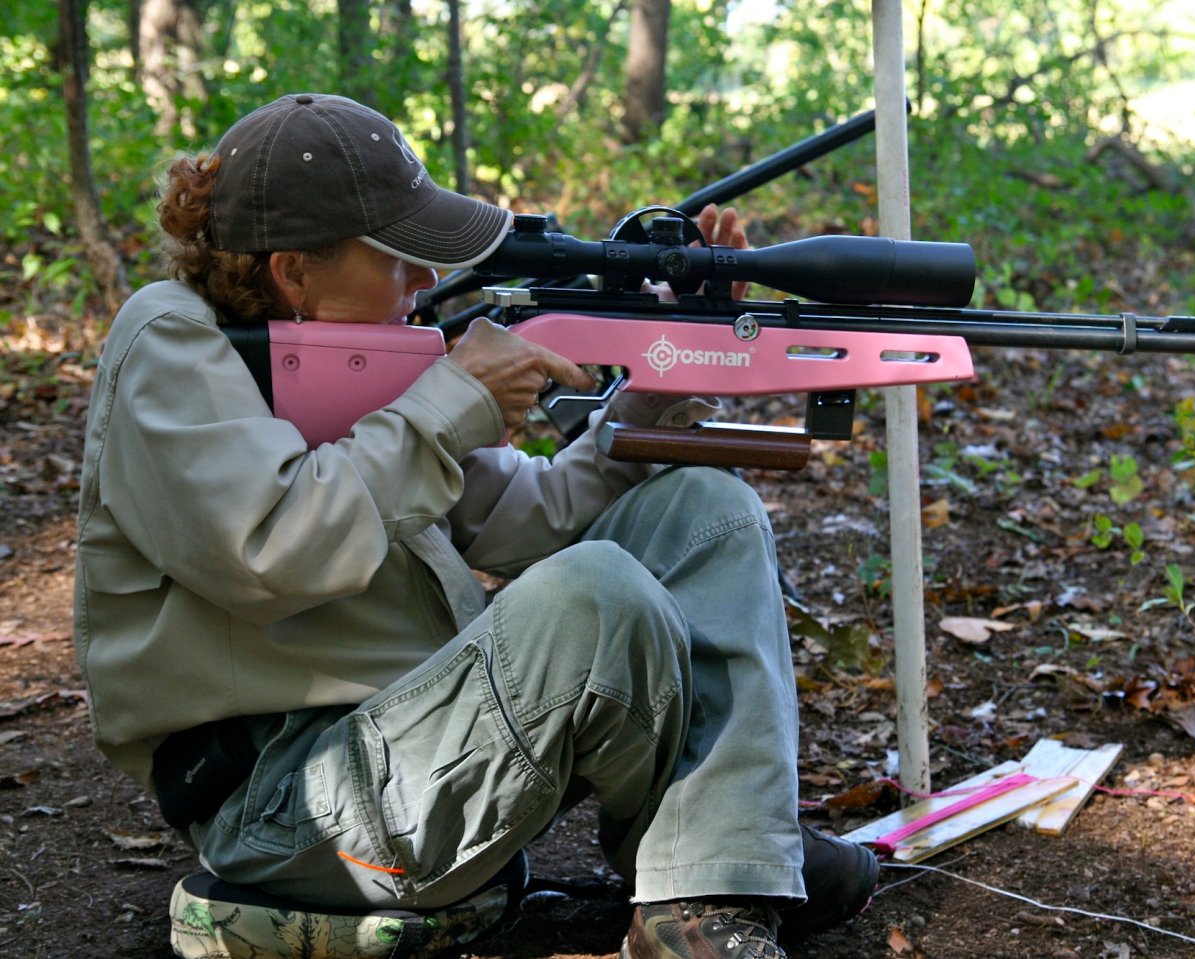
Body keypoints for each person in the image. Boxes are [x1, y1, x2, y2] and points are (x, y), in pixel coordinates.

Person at [73, 93, 877, 959]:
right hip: (287, 808)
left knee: (705, 508)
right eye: (395, 258)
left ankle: (719, 877)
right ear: (293, 270)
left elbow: (526, 515)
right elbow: (269, 549)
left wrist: (665, 370)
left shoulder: (342, 352)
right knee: (593, 596)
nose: (424, 282)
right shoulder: (169, 342)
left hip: (410, 755)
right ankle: (718, 864)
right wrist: (452, 400)